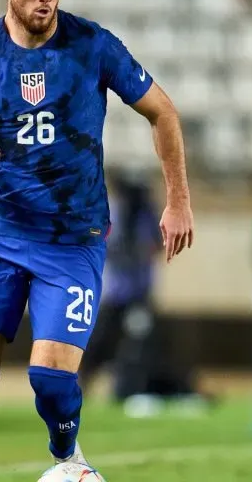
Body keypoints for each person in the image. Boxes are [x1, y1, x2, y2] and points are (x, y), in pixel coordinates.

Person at [0, 0, 194, 482]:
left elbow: (163, 110)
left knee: (50, 383)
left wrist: (178, 202)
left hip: (73, 240)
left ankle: (69, 458)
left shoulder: (93, 45)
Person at [77, 171, 163, 398]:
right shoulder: (114, 212)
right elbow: (105, 244)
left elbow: (157, 245)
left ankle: (128, 389)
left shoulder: (147, 214)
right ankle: (80, 386)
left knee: (138, 346)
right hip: (116, 293)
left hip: (140, 293)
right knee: (99, 343)